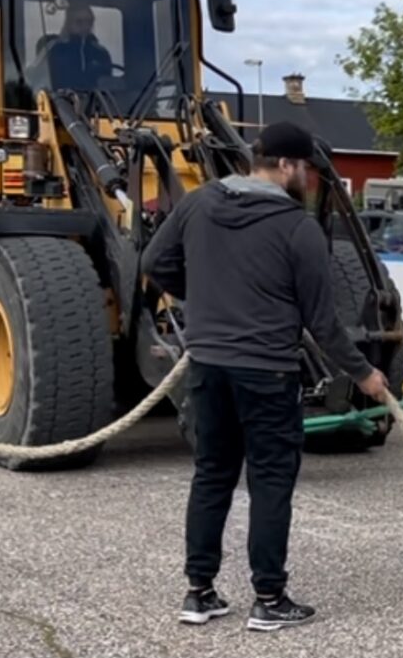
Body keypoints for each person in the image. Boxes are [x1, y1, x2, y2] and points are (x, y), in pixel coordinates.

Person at [141, 121, 389, 631]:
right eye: (306, 171)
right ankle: (269, 598)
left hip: (207, 366)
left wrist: (204, 296)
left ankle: (200, 592)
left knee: (212, 475)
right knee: (270, 482)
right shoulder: (298, 229)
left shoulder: (199, 202)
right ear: (286, 166)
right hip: (269, 372)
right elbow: (323, 323)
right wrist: (365, 375)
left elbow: (154, 260)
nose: (308, 180)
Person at [46, 4, 114, 91]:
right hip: (62, 101)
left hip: (96, 102)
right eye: (79, 22)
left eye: (89, 22)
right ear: (68, 23)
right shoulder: (56, 50)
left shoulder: (101, 53)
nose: (85, 26)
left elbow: (107, 85)